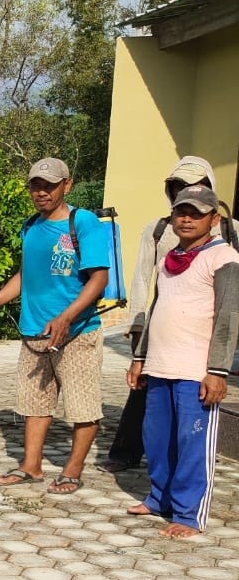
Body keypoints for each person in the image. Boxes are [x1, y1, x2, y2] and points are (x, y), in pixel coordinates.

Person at [0, 158, 109, 494]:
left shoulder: (84, 222)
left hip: (78, 333)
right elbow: (25, 276)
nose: (41, 192)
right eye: (36, 185)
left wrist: (67, 315)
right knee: (34, 404)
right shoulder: (30, 226)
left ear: (68, 184)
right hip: (34, 332)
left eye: (49, 185)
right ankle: (30, 466)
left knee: (82, 406)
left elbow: (99, 279)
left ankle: (72, 470)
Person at [127, 185, 239, 538]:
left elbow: (229, 317)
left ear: (214, 219)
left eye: (197, 213)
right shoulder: (168, 259)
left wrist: (217, 371)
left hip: (196, 371)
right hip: (160, 365)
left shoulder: (224, 259)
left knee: (193, 444)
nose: (187, 218)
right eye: (181, 212)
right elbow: (157, 308)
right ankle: (159, 498)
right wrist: (139, 357)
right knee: (157, 439)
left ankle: (189, 515)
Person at [102, 156, 218, 473]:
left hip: (204, 327)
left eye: (194, 187)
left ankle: (194, 454)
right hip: (161, 323)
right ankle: (126, 452)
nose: (186, 194)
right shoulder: (159, 230)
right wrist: (137, 325)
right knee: (145, 389)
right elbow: (141, 279)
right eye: (179, 187)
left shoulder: (229, 233)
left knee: (198, 391)